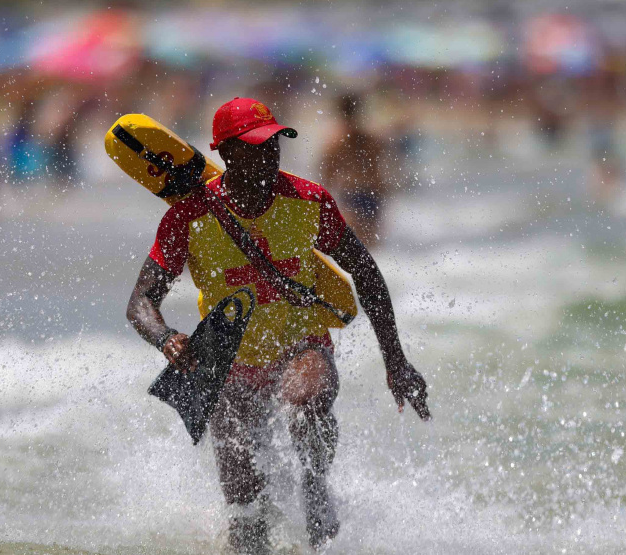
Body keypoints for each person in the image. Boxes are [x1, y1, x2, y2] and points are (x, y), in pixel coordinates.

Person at [126, 97, 430, 554]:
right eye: (255, 146)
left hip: (302, 343)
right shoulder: (187, 217)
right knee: (246, 517)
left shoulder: (310, 202)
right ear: (225, 152)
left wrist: (397, 362)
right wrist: (165, 337)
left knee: (306, 398)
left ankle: (315, 485)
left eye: (274, 143)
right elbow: (140, 302)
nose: (269, 154)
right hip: (229, 363)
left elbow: (366, 273)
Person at [320, 93, 390, 246]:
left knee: (354, 246)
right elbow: (381, 167)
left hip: (351, 193)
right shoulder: (370, 137)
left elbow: (328, 172)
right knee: (371, 245)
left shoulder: (336, 141)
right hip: (372, 193)